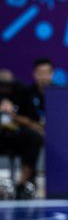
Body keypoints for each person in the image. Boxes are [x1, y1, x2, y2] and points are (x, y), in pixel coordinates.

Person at [0, 69, 44, 200]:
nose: (5, 88)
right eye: (2, 84)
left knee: (34, 137)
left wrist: (12, 115)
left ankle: (22, 185)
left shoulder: (23, 93)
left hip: (17, 135)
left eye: (8, 85)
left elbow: (32, 122)